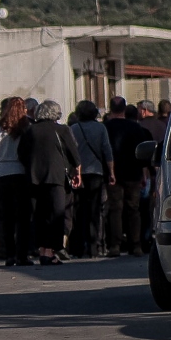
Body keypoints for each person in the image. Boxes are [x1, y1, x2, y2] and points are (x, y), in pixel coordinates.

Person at [19, 100, 81, 265]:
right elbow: (74, 154)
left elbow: (22, 153)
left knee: (39, 215)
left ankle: (42, 250)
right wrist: (77, 173)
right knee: (56, 214)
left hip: (34, 178)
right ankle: (51, 251)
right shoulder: (62, 130)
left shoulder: (30, 131)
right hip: (56, 177)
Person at [0, 97, 34, 266]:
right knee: (23, 217)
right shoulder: (27, 128)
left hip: (0, 174)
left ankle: (9, 254)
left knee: (6, 217)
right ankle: (22, 255)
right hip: (20, 173)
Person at [104, 96, 150, 257]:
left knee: (115, 209)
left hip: (113, 173)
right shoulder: (135, 127)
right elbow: (143, 154)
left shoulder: (105, 127)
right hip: (134, 173)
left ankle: (115, 245)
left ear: (110, 109)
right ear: (124, 109)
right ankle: (135, 245)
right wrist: (144, 175)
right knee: (133, 209)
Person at [70, 100, 113, 258]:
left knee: (79, 210)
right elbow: (106, 150)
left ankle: (79, 246)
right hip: (96, 172)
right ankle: (94, 245)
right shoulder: (100, 128)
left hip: (78, 173)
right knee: (95, 210)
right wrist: (112, 172)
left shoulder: (74, 128)